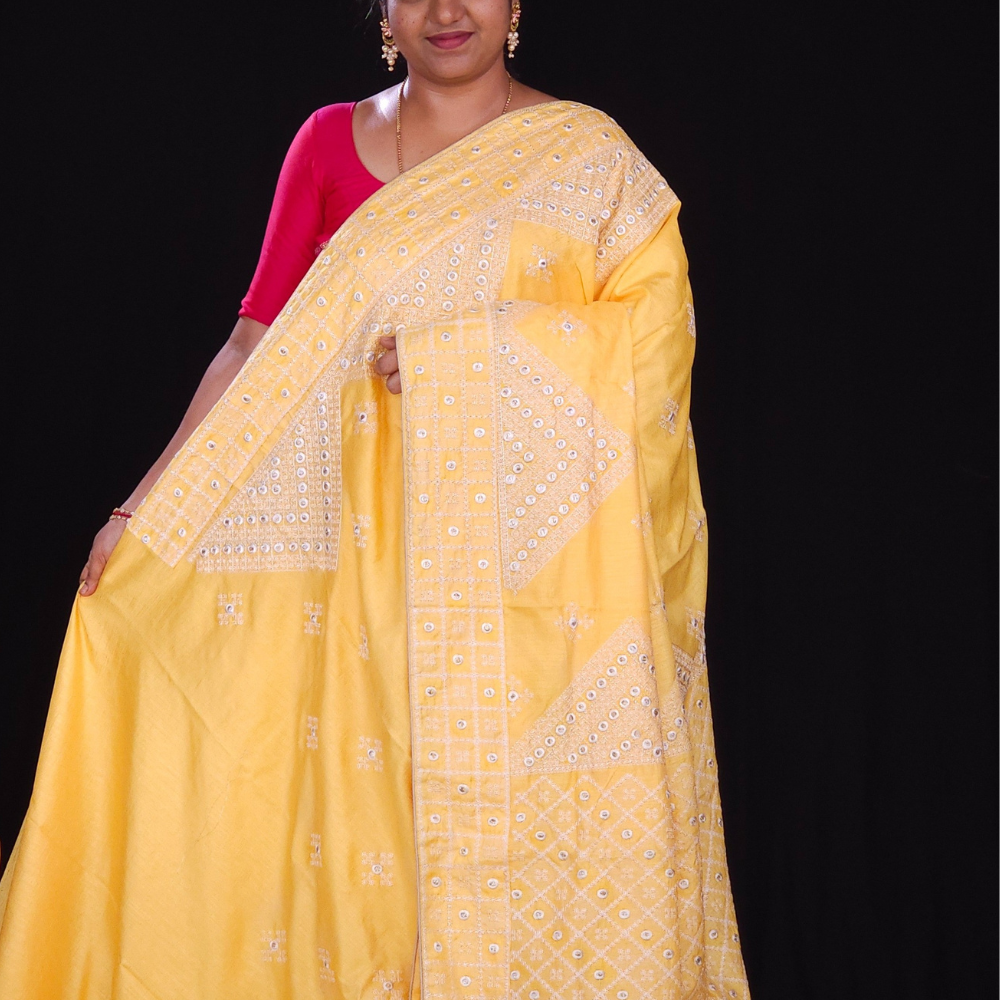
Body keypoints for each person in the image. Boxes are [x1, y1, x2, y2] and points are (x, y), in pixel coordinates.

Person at [0, 1, 750, 997]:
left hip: (518, 590)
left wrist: (465, 362)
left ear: (515, 5)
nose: (447, 11)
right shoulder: (327, 142)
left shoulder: (589, 159)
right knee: (351, 842)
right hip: (342, 579)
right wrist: (140, 509)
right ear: (384, 9)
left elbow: (652, 350)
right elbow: (254, 342)